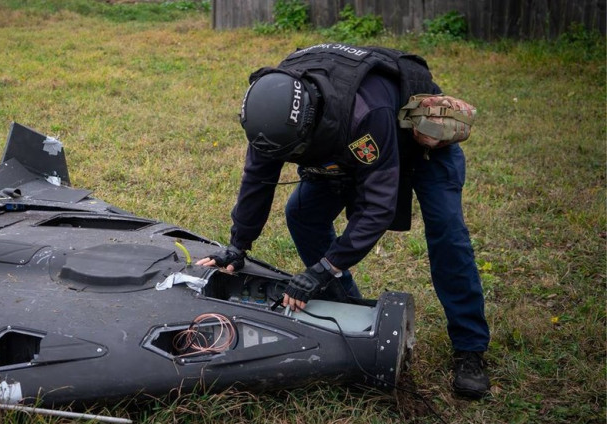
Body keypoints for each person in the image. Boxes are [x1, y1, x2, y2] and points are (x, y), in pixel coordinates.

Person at [196, 43, 491, 399]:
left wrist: (324, 268)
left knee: (447, 233)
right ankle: (347, 310)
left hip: (416, 144)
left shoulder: (363, 114)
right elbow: (257, 180)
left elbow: (378, 207)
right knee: (302, 213)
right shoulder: (271, 118)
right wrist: (237, 245)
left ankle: (470, 348)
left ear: (308, 126)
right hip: (346, 147)